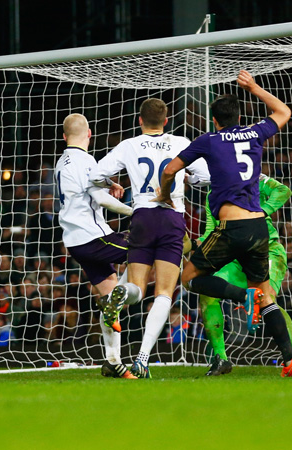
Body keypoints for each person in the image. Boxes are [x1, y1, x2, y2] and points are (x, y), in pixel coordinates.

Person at [155, 70, 292, 377]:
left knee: (189, 277)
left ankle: (240, 297)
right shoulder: (253, 133)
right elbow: (284, 112)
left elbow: (170, 169)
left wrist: (166, 193)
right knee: (267, 295)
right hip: (258, 229)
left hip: (230, 228)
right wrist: (253, 87)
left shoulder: (208, 140)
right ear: (239, 116)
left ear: (214, 120)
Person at [90, 98, 210, 379]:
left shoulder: (129, 145)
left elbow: (96, 175)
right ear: (166, 120)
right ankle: (142, 359)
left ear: (140, 120)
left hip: (141, 216)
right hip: (171, 217)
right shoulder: (181, 142)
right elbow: (206, 176)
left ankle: (121, 295)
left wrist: (113, 184)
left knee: (137, 288)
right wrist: (188, 179)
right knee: (165, 293)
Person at [192, 173, 292, 375]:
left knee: (267, 298)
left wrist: (261, 212)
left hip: (267, 249)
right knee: (207, 291)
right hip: (234, 256)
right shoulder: (213, 193)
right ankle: (220, 358)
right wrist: (195, 243)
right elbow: (210, 230)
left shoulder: (254, 179)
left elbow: (283, 191)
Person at [54, 113, 142, 379]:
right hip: (93, 236)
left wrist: (108, 182)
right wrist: (135, 212)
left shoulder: (62, 162)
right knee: (148, 247)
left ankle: (113, 361)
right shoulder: (86, 160)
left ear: (64, 136)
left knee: (109, 291)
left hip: (75, 242)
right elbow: (100, 199)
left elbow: (89, 183)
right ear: (89, 134)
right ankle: (122, 299)